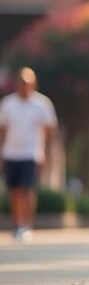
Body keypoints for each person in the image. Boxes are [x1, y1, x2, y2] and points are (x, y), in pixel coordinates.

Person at [0, 67, 58, 242]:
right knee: (14, 190)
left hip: (31, 153)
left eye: (28, 83)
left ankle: (26, 224)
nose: (24, 86)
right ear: (17, 84)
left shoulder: (42, 104)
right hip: (11, 153)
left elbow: (49, 131)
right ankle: (17, 223)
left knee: (26, 189)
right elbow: (2, 130)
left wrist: (47, 155)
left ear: (34, 84)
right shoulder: (8, 104)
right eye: (22, 82)